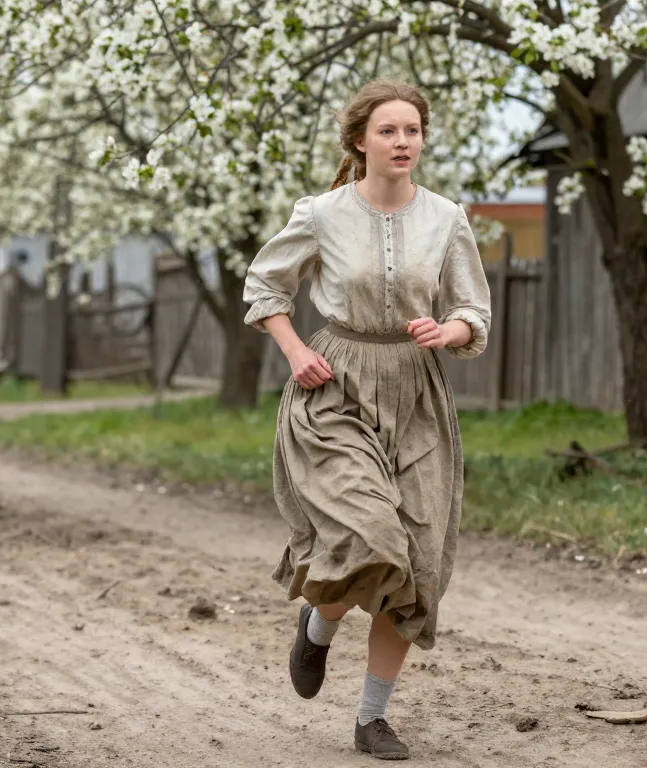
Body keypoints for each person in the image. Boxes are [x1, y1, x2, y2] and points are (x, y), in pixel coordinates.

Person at [241, 79, 493, 760]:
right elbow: (265, 287)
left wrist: (450, 330)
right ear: (360, 141)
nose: (403, 141)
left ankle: (371, 719)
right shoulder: (321, 214)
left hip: (417, 394)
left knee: (415, 563)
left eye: (412, 130)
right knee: (371, 536)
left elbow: (475, 310)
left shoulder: (447, 217)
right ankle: (317, 629)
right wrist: (295, 352)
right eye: (389, 131)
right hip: (336, 387)